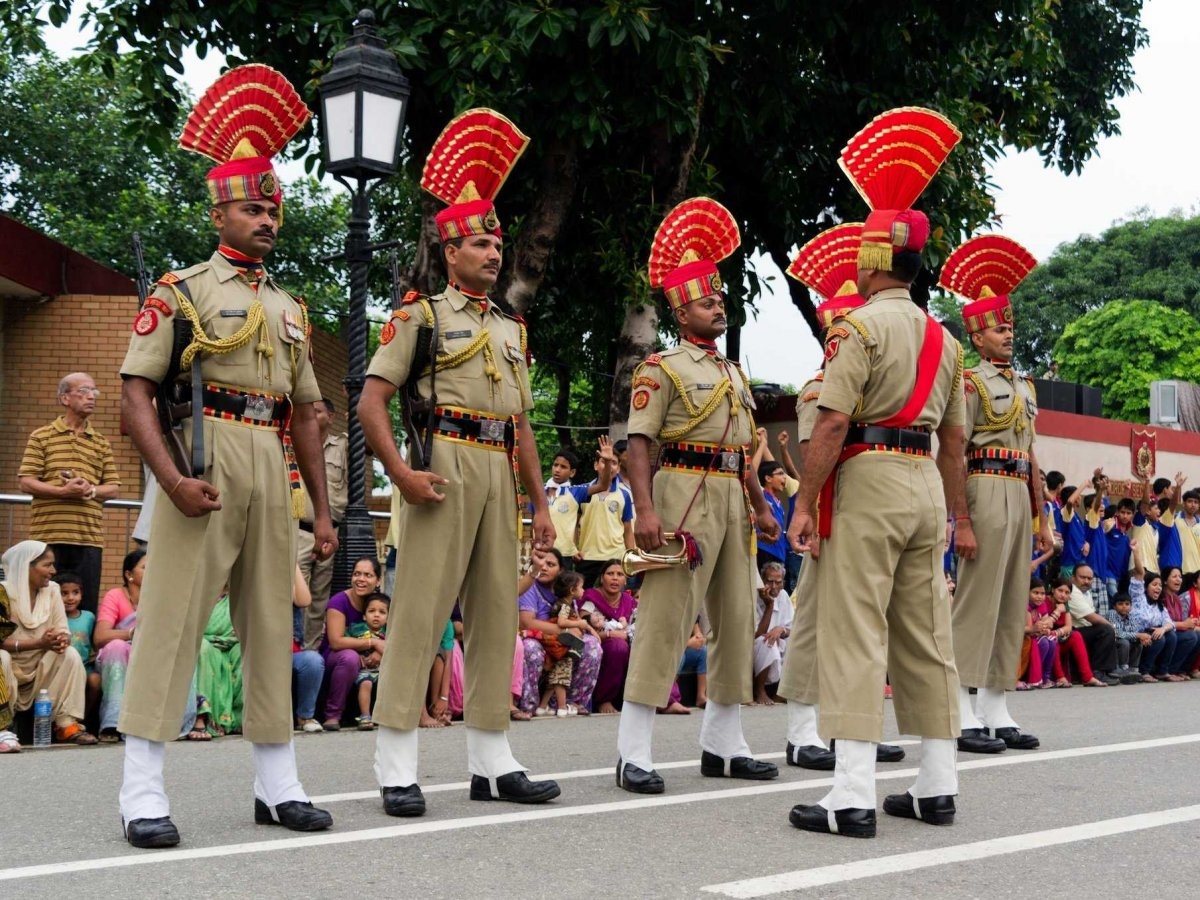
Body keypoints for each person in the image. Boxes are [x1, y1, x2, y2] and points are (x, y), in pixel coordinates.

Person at [115, 66, 337, 848]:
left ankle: (278, 787)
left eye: (274, 207)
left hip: (271, 463)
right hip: (204, 461)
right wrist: (171, 479)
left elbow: (308, 412)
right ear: (219, 211)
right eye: (253, 206)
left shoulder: (288, 307)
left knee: (272, 625)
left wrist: (324, 507)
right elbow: (135, 395)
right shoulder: (181, 291)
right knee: (172, 622)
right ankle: (141, 791)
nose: (268, 218)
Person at [357, 108, 560, 816]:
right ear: (450, 251)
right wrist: (401, 476)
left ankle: (492, 759)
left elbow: (522, 425)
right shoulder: (420, 316)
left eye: (497, 243)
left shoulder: (511, 329)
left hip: (497, 467)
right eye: (480, 243)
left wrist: (539, 505)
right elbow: (371, 402)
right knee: (418, 615)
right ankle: (395, 764)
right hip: (440, 465)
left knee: (497, 614)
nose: (494, 253)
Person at [786, 108, 966, 838]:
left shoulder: (857, 328)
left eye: (861, 252)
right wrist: (958, 514)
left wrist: (804, 500)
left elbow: (831, 423)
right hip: (924, 480)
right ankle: (936, 785)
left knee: (856, 628)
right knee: (926, 634)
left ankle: (852, 793)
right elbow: (955, 441)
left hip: (869, 479)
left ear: (874, 261)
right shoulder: (946, 341)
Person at [617, 196, 780, 795]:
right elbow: (638, 443)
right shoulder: (660, 368)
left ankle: (724, 744)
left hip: (733, 496)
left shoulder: (735, 373)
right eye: (708, 300)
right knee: (665, 618)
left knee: (735, 619)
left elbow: (744, 448)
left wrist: (761, 504)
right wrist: (645, 508)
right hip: (680, 489)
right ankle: (633, 751)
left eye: (720, 299)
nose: (720, 306)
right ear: (682, 307)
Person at [773, 225, 904, 772]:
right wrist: (810, 515)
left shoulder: (868, 395)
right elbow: (813, 459)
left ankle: (852, 731)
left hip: (865, 516)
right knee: (814, 624)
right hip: (830, 518)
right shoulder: (817, 392)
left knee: (867, 625)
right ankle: (802, 730)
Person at [938, 234, 1051, 754]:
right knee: (978, 600)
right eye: (998, 328)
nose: (1008, 334)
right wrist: (960, 519)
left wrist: (1043, 515)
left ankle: (995, 706)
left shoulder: (1025, 386)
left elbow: (1031, 454)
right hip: (982, 486)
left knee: (1010, 603)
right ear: (976, 337)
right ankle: (960, 707)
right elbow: (956, 452)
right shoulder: (970, 383)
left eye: (1009, 326)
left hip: (1018, 490)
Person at [18, 373, 121, 614]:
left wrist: (91, 489)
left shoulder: (101, 443)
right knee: (42, 604)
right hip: (47, 536)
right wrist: (62, 491)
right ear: (65, 398)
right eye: (84, 391)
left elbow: (114, 487)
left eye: (94, 392)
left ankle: (80, 653)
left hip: (88, 539)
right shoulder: (41, 436)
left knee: (85, 609)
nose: (91, 397)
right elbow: (26, 482)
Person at [0, 541, 95, 744]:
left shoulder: (52, 590)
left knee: (69, 654)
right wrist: (39, 643)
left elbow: (62, 629)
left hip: (41, 669)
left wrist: (61, 640)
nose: (53, 571)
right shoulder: (3, 592)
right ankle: (2, 729)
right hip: (10, 668)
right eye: (47, 565)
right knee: (1, 657)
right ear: (27, 566)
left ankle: (66, 724)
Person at [519, 549, 602, 715]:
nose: (544, 567)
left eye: (550, 564)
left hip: (561, 640)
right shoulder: (529, 587)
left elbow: (575, 620)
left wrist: (582, 629)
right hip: (538, 638)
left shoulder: (565, 591)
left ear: (561, 570)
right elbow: (527, 623)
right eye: (541, 563)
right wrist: (564, 629)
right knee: (530, 648)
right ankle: (530, 704)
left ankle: (571, 702)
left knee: (592, 646)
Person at [298, 398, 348, 649]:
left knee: (319, 598)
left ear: (331, 417)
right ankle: (291, 650)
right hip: (301, 532)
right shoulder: (294, 442)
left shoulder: (342, 447)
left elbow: (369, 447)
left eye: (318, 412)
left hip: (331, 535)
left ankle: (310, 653)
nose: (312, 416)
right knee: (296, 596)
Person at [319, 556, 384, 730]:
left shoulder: (381, 604)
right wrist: (373, 643)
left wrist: (380, 650)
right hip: (336, 659)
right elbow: (336, 641)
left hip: (370, 661)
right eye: (357, 574)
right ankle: (333, 715)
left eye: (368, 575)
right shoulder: (339, 602)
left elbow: (390, 635)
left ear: (378, 580)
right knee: (350, 657)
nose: (361, 579)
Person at [94, 549, 147, 741]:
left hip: (149, 654)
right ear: (129, 574)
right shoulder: (115, 596)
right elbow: (100, 636)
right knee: (117, 647)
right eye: (144, 568)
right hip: (117, 658)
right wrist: (132, 634)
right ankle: (112, 723)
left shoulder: (159, 597)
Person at [545, 439, 617, 566]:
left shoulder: (576, 492)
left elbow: (603, 486)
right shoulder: (540, 492)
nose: (557, 469)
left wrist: (607, 461)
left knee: (563, 586)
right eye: (555, 465)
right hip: (542, 552)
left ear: (572, 472)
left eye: (563, 467)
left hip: (564, 555)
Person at [536, 572, 588, 717]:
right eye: (581, 587)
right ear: (572, 590)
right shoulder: (565, 606)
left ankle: (542, 706)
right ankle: (562, 707)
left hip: (556, 643)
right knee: (563, 673)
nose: (583, 590)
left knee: (554, 675)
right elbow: (561, 622)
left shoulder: (564, 603)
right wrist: (579, 623)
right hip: (562, 643)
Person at [1066, 565, 1123, 685]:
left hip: (1084, 630)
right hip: (1072, 632)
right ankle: (1098, 672)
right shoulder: (1072, 592)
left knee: (1107, 631)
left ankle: (1110, 671)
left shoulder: (1086, 592)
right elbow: (1092, 617)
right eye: (1082, 577)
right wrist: (1111, 627)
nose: (1086, 581)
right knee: (1106, 630)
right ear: (1073, 578)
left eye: (1089, 578)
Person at [57, 571, 100, 721]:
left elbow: (95, 640)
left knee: (95, 681)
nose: (70, 598)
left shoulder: (89, 617)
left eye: (75, 592)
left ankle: (82, 717)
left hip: (85, 666)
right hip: (62, 667)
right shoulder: (54, 618)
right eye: (64, 593)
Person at [290, 565, 324, 734]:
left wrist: (292, 561)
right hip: (261, 650)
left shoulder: (283, 576)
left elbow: (304, 600)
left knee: (313, 661)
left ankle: (305, 716)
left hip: (289, 650)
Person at [347, 593, 389, 730]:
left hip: (383, 670)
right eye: (372, 611)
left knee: (391, 683)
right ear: (364, 615)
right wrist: (354, 653)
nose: (376, 615)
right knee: (365, 683)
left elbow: (396, 647)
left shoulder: (389, 632)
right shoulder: (356, 629)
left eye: (382, 612)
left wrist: (379, 652)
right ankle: (365, 716)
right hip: (363, 670)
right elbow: (345, 642)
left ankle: (388, 716)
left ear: (388, 617)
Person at [752, 561, 792, 706]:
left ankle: (781, 692)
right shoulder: (754, 596)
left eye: (778, 582)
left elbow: (792, 628)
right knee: (767, 642)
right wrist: (769, 605)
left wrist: (781, 630)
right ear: (762, 581)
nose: (774, 587)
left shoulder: (783, 595)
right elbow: (757, 635)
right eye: (770, 582)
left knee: (797, 644)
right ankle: (760, 690)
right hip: (756, 645)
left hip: (779, 641)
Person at [1105, 592, 1144, 681]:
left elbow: (1134, 631)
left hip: (1125, 642)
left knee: (1139, 642)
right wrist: (1138, 635)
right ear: (1114, 606)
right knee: (1124, 642)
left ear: (1131, 606)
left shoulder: (1131, 616)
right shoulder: (1112, 613)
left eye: (1127, 604)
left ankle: (1133, 669)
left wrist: (1140, 637)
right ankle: (1123, 668)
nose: (1124, 606)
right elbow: (1117, 633)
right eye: (1120, 604)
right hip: (1114, 643)